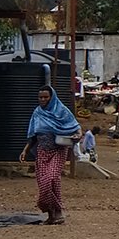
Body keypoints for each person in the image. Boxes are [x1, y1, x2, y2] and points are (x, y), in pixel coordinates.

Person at [20, 85, 79, 224]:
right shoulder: (37, 113)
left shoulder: (62, 111)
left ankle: (57, 210)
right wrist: (25, 150)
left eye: (46, 97)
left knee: (51, 178)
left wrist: (77, 136)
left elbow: (75, 127)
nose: (43, 99)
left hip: (58, 150)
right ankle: (52, 215)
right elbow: (33, 135)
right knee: (43, 183)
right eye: (40, 97)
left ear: (52, 97)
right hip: (42, 152)